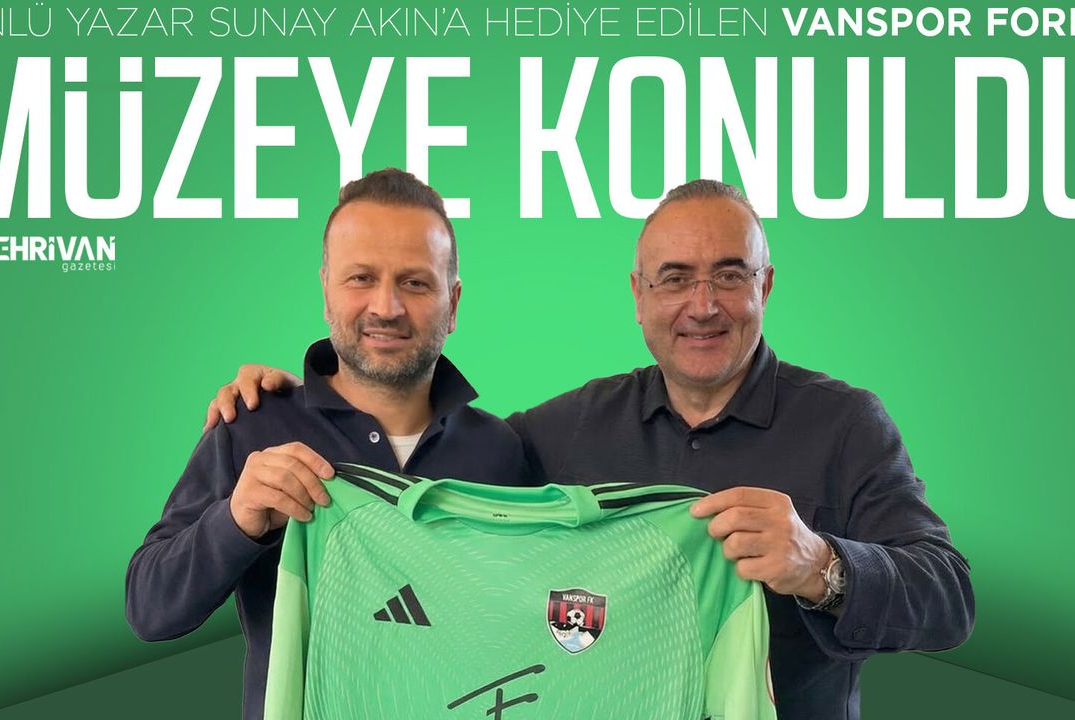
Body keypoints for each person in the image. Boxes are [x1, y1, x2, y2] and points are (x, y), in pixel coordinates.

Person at [210, 179, 975, 720]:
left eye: (729, 276)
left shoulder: (846, 425)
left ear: (765, 286)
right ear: (639, 296)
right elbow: (433, 483)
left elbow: (950, 599)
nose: (702, 305)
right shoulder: (556, 432)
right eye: (674, 279)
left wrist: (822, 566)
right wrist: (308, 402)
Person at [126, 168, 525, 720]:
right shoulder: (250, 426)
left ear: (453, 303)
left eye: (415, 283)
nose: (386, 307)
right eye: (361, 278)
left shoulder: (501, 451)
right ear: (326, 291)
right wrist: (236, 519)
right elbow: (149, 610)